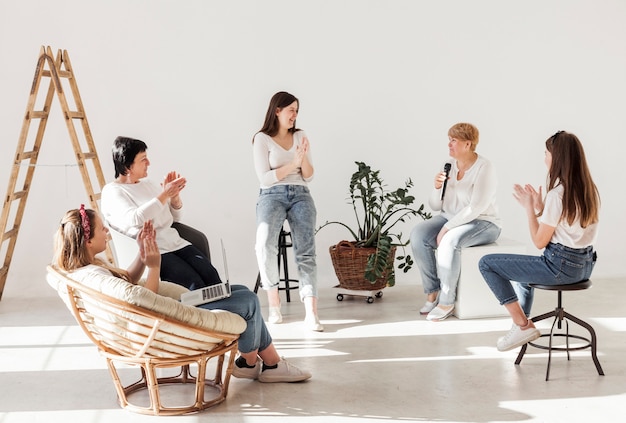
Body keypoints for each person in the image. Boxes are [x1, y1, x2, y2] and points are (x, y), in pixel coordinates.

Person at [53, 206, 312, 383]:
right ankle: (260, 364)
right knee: (249, 301)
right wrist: (155, 266)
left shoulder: (86, 270)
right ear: (87, 241)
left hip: (169, 308)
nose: (107, 232)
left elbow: (128, 284)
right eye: (102, 230)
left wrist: (142, 257)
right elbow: (145, 308)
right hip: (167, 321)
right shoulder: (96, 274)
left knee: (241, 292)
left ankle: (259, 364)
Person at [479, 131, 599, 352]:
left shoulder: (558, 194)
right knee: (524, 278)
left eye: (546, 153)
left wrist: (528, 210)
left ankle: (522, 325)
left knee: (486, 263)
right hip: (584, 267)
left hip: (560, 267)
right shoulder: (588, 190)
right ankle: (520, 330)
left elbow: (539, 242)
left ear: (557, 157)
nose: (544, 158)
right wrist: (541, 209)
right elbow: (568, 226)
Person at [101, 136, 219, 291]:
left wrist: (174, 198)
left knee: (213, 279)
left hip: (175, 243)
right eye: (143, 159)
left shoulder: (148, 184)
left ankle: (223, 314)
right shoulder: (113, 191)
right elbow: (135, 218)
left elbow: (175, 218)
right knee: (195, 285)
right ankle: (206, 314)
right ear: (128, 166)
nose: (148, 163)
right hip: (154, 251)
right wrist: (164, 195)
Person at [410, 122, 501, 321]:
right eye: (449, 140)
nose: (449, 145)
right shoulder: (448, 164)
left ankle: (446, 301)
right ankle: (432, 292)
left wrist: (447, 228)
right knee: (418, 235)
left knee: (450, 241)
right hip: (449, 217)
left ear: (468, 144)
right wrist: (436, 187)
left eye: (454, 141)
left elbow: (476, 207)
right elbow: (435, 205)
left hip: (483, 222)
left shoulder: (485, 167)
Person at [252, 91, 322, 331]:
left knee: (306, 251)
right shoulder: (262, 139)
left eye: (297, 111)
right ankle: (274, 305)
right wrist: (293, 163)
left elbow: (309, 176)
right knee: (264, 245)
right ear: (277, 111)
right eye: (291, 110)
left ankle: (311, 313)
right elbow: (265, 178)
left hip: (300, 193)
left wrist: (301, 160)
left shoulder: (300, 136)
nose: (295, 115)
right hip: (271, 195)